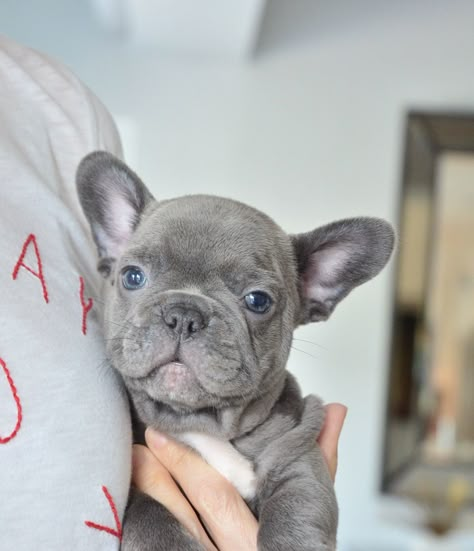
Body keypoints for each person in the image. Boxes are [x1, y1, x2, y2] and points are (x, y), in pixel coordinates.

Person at [0, 35, 346, 550]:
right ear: (112, 253)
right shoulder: (123, 420)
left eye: (254, 300)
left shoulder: (286, 434)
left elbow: (302, 495)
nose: (181, 322)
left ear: (310, 293)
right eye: (136, 278)